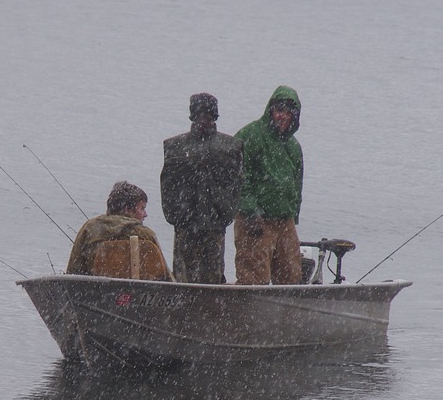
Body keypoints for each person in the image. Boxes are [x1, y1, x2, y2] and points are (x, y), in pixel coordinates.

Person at [160, 93, 244, 284]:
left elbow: (237, 184)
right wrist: (176, 216)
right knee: (182, 280)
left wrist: (224, 214)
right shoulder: (175, 146)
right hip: (185, 224)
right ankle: (186, 312)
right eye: (199, 114)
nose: (203, 119)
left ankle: (208, 312)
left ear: (215, 116)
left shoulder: (231, 147)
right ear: (192, 115)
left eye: (208, 115)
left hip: (215, 225)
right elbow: (167, 184)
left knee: (212, 281)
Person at [233, 86, 304, 285]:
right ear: (271, 110)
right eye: (279, 110)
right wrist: (249, 211)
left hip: (285, 220)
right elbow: (239, 177)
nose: (283, 116)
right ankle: (249, 314)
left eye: (289, 112)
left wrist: (293, 212)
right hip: (255, 219)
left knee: (291, 275)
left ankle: (288, 315)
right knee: (254, 277)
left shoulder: (293, 146)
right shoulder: (250, 135)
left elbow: (296, 183)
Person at [65, 181, 170, 280]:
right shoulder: (146, 234)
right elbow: (165, 276)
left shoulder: (90, 228)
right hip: (140, 296)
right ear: (127, 209)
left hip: (96, 294)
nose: (145, 214)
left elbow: (73, 270)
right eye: (142, 208)